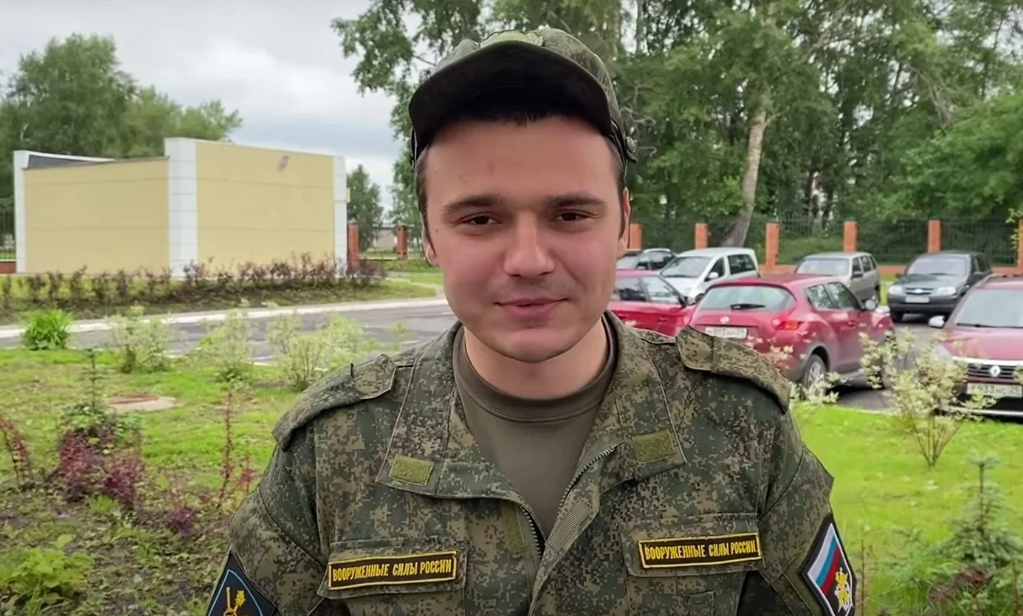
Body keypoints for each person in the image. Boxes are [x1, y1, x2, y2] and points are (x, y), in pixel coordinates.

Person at [205, 27, 856, 616]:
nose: (527, 261)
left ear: (622, 223)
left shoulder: (741, 426)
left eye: (569, 215)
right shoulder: (333, 449)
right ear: (428, 234)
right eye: (479, 219)